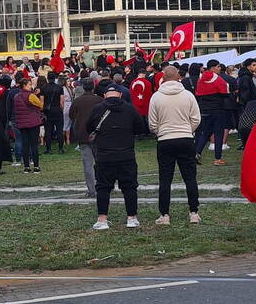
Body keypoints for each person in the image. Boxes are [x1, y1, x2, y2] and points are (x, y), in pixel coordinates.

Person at [148, 65, 201, 226]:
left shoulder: (156, 97)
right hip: (185, 138)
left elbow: (152, 123)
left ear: (163, 77)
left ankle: (164, 214)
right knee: (190, 178)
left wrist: (161, 132)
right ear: (178, 76)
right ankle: (194, 212)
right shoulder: (188, 95)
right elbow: (196, 119)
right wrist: (187, 131)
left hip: (165, 139)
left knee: (165, 179)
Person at [88, 85, 144, 230]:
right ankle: (131, 218)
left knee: (103, 187)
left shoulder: (97, 109)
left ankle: (102, 219)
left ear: (105, 95)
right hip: (126, 154)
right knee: (130, 187)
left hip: (104, 155)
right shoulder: (130, 109)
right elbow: (140, 128)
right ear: (119, 95)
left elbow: (89, 128)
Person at [194, 59, 231, 165]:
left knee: (205, 133)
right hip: (217, 109)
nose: (220, 69)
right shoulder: (216, 78)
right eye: (218, 67)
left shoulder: (201, 78)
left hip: (204, 109)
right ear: (213, 68)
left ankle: (197, 153)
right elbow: (226, 91)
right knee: (218, 133)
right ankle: (218, 158)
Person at [70, 77, 102, 197]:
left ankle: (92, 190)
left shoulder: (78, 101)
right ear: (93, 87)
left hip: (83, 135)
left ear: (83, 87)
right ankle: (103, 185)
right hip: (98, 134)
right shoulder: (99, 100)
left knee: (87, 164)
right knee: (100, 162)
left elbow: (71, 115)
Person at [13, 77, 44, 172]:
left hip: (22, 122)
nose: (31, 86)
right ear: (25, 85)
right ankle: (36, 166)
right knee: (34, 145)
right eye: (30, 85)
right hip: (33, 122)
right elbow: (40, 105)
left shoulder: (16, 96)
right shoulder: (31, 96)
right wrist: (40, 97)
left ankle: (26, 167)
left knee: (25, 145)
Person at [41, 72, 65, 154]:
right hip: (57, 110)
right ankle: (60, 149)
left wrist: (42, 110)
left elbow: (42, 102)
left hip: (48, 111)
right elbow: (62, 101)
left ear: (47, 78)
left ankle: (48, 149)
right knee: (59, 130)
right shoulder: (59, 88)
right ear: (55, 78)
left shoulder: (43, 88)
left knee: (48, 130)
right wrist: (61, 108)